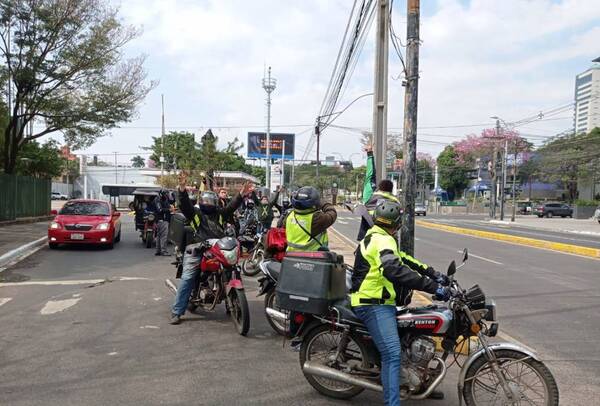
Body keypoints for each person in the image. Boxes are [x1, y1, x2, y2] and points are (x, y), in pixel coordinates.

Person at [350, 201, 451, 406]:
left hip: (382, 300)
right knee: (392, 354)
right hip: (372, 304)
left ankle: (420, 381)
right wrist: (433, 287)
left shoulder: (380, 236)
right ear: (397, 224)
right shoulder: (382, 240)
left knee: (410, 335)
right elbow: (395, 269)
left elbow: (404, 259)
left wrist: (434, 274)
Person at [170, 171, 254, 325]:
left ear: (216, 202)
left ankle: (231, 298)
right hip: (197, 249)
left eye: (211, 201)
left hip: (217, 249)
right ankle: (177, 311)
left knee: (232, 268)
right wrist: (182, 188)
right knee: (188, 278)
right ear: (201, 202)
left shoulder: (220, 214)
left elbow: (231, 206)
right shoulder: (195, 214)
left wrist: (241, 194)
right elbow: (184, 205)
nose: (208, 203)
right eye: (206, 200)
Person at [357, 143, 400, 241]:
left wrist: (370, 154)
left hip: (367, 237)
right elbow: (400, 222)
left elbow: (370, 175)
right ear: (391, 190)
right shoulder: (396, 201)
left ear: (379, 187)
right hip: (389, 239)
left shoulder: (370, 196)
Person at [284, 186, 337, 252]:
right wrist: (322, 203)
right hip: (313, 257)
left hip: (291, 256)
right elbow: (332, 213)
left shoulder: (289, 215)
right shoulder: (316, 218)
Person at [154, 190, 174, 256]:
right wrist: (169, 210)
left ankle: (158, 251)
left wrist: (173, 197)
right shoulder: (158, 199)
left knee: (159, 236)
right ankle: (163, 251)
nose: (167, 195)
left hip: (163, 220)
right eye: (166, 194)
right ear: (162, 194)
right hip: (162, 220)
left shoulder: (164, 199)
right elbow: (160, 210)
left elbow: (170, 202)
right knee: (163, 236)